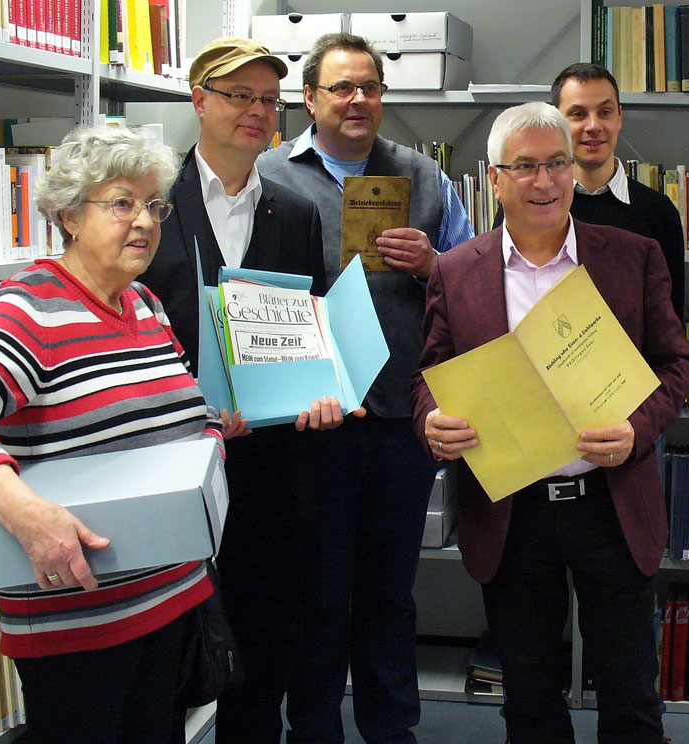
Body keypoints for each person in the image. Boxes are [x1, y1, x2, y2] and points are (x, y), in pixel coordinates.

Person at [0, 125, 234, 744]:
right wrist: (23, 512)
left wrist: (211, 445)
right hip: (79, 623)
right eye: (122, 203)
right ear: (69, 214)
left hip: (171, 604)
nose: (144, 222)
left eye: (154, 206)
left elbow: (189, 414)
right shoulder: (32, 305)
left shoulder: (144, 303)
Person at [412, 102, 689, 744]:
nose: (544, 182)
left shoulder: (632, 255)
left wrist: (638, 428)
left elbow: (677, 365)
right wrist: (432, 422)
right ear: (495, 178)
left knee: (630, 696)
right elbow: (427, 377)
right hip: (515, 512)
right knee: (531, 699)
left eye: (557, 165)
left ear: (574, 171)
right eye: (527, 167)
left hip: (611, 503)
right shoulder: (457, 273)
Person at [256, 31, 475, 744]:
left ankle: (392, 731)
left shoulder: (426, 178)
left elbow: (470, 291)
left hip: (397, 420)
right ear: (311, 98)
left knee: (388, 593)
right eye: (342, 87)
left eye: (370, 87)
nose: (358, 100)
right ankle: (312, 730)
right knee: (316, 594)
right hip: (309, 422)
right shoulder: (268, 176)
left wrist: (431, 264)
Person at [138, 37, 345, 744]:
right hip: (169, 468)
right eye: (239, 96)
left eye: (268, 100)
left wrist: (321, 392)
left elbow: (306, 329)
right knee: (165, 664)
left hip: (270, 479)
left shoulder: (294, 213)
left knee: (259, 666)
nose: (257, 112)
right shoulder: (148, 210)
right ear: (199, 101)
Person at [493, 63, 685, 319]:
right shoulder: (527, 205)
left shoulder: (659, 212)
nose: (593, 126)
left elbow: (670, 318)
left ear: (619, 117)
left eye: (605, 112)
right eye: (578, 114)